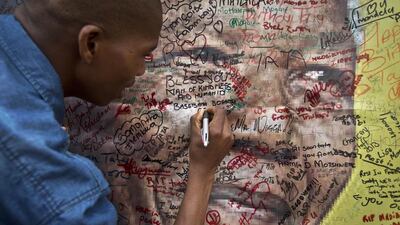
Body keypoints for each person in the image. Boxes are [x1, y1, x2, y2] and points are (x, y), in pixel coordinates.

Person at [0, 0, 234, 224]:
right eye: (143, 54)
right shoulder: (42, 172)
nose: (142, 71)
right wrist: (204, 171)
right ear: (90, 44)